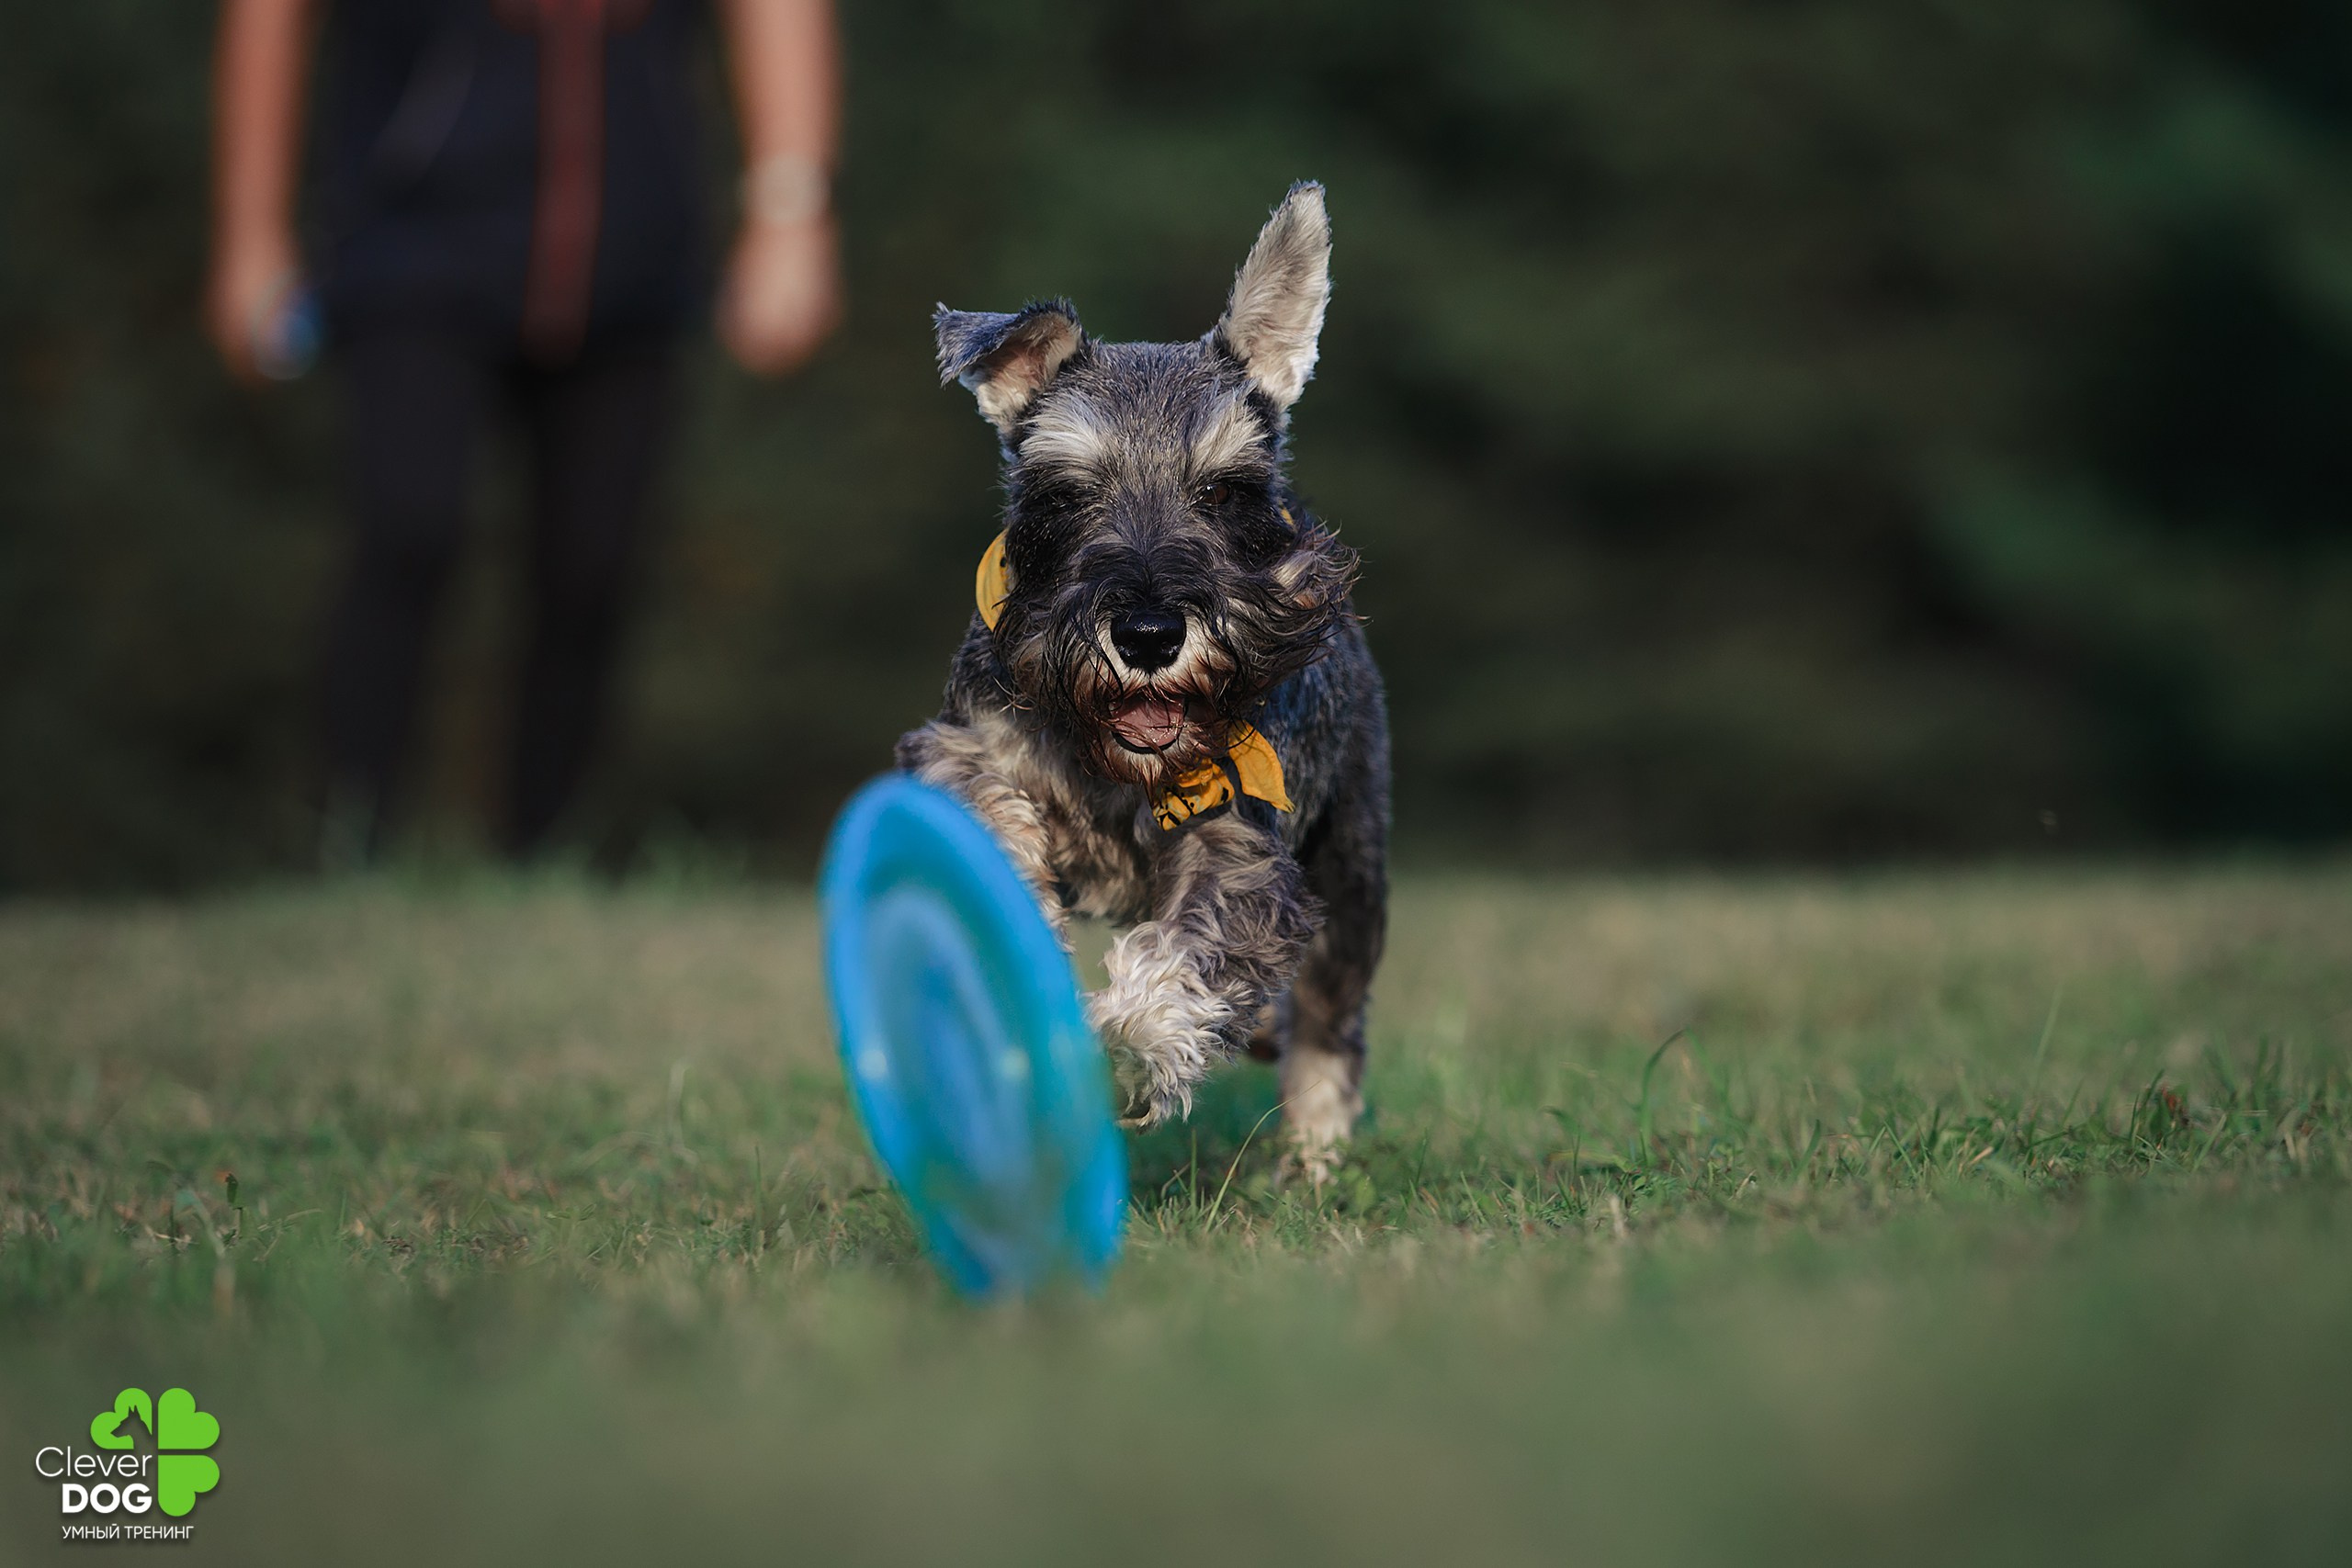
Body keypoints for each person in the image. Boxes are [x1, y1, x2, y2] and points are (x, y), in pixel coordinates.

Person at [206, 0, 840, 861]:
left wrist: (789, 211)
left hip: (633, 250)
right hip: (411, 241)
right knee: (407, 528)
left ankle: (545, 858)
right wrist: (250, 229)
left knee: (594, 567)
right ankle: (343, 845)